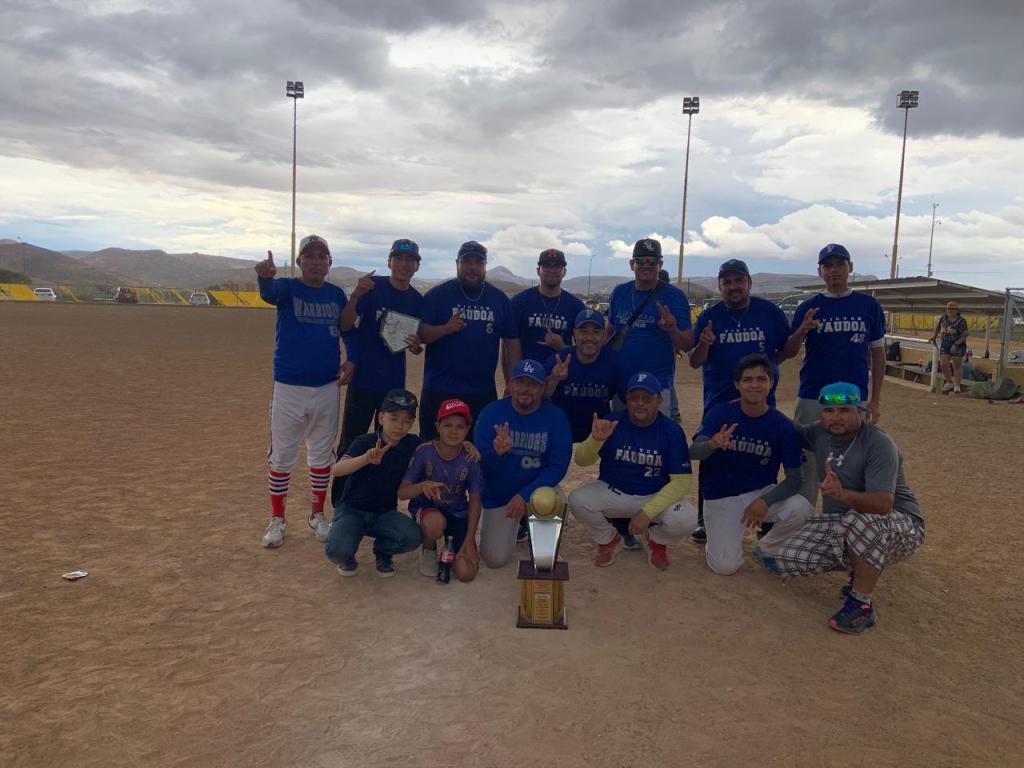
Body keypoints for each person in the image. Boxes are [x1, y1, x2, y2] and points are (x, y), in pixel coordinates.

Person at [752, 383, 925, 634]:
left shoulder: (879, 444)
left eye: (844, 410)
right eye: (828, 410)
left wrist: (842, 494)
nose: (835, 417)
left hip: (901, 524)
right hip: (846, 523)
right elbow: (788, 430)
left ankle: (861, 603)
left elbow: (883, 504)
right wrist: (758, 405)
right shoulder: (820, 433)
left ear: (860, 412)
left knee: (860, 522)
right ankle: (862, 566)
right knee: (790, 557)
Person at [687, 258, 792, 543]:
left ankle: (766, 515)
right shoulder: (710, 316)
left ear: (749, 283)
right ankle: (704, 518)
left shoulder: (769, 312)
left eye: (738, 280)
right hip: (719, 400)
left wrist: (763, 375)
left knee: (766, 453)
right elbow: (695, 362)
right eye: (727, 282)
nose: (733, 286)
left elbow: (786, 350)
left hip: (760, 400)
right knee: (713, 452)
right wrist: (705, 343)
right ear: (720, 286)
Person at [255, 235, 350, 548]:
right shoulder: (287, 288)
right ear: (299, 262)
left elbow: (349, 330)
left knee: (322, 453)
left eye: (322, 256)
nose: (315, 262)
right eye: (309, 256)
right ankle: (278, 519)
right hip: (289, 386)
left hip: (326, 386)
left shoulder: (336, 295)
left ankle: (316, 514)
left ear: (329, 263)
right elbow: (269, 293)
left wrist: (354, 359)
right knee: (282, 455)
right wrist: (264, 277)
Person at [684, 354, 813, 574]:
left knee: (802, 508)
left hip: (759, 492)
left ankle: (768, 548)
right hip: (721, 496)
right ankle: (718, 538)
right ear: (738, 384)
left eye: (761, 379)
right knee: (725, 567)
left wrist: (765, 500)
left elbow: (795, 479)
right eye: (748, 379)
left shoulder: (782, 426)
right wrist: (712, 444)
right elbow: (693, 452)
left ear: (771, 383)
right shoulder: (721, 413)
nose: (755, 385)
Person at [782, 243, 886, 505]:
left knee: (848, 461)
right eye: (827, 265)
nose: (834, 270)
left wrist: (874, 400)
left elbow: (878, 354)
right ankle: (802, 517)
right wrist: (802, 330)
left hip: (852, 396)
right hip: (813, 394)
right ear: (820, 272)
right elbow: (790, 351)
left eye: (839, 264)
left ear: (850, 267)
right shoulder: (809, 306)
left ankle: (840, 520)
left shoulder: (868, 305)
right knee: (807, 458)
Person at [568, 371, 697, 570]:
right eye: (634, 397)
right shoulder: (613, 422)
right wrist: (595, 440)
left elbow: (682, 482)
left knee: (687, 518)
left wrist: (647, 513)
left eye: (647, 398)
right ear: (626, 400)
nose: (640, 403)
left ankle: (656, 540)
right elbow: (582, 461)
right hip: (614, 492)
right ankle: (609, 539)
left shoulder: (671, 431)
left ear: (659, 399)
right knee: (577, 500)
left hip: (653, 496)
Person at [545, 308, 640, 550]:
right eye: (583, 331)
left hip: (596, 424)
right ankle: (535, 513)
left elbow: (631, 399)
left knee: (623, 446)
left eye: (596, 331)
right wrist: (554, 379)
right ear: (574, 334)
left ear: (604, 335)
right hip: (560, 425)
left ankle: (620, 520)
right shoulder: (560, 359)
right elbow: (539, 398)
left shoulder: (615, 361)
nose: (589, 337)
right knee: (538, 455)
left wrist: (614, 421)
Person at [473, 359, 572, 568]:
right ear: (510, 384)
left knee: (552, 499)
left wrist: (524, 496)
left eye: (533, 384)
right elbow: (481, 467)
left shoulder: (555, 416)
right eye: (520, 382)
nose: (526, 389)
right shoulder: (491, 412)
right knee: (495, 559)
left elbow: (558, 466)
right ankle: (518, 526)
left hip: (534, 490)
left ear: (542, 388)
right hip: (500, 496)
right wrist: (496, 454)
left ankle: (540, 541)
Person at [418, 240, 521, 441]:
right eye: (467, 262)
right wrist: (445, 328)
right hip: (439, 389)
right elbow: (421, 334)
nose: (472, 267)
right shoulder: (438, 295)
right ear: (457, 263)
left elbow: (512, 342)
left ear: (485, 266)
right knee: (433, 450)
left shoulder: (499, 299)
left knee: (478, 452)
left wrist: (514, 380)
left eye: (478, 262)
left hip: (482, 392)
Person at [336, 238, 424, 453]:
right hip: (363, 379)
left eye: (410, 260)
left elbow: (417, 342)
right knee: (351, 443)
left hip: (392, 384)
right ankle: (343, 487)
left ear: (417, 266)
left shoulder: (417, 301)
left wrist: (416, 347)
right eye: (398, 258)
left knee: (386, 445)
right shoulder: (373, 288)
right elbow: (345, 324)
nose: (404, 264)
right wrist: (356, 294)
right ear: (389, 262)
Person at [324, 389, 423, 577]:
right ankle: (348, 553)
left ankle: (383, 551)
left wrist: (465, 445)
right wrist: (366, 458)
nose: (399, 426)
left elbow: (436, 449)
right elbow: (337, 469)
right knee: (337, 552)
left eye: (407, 421)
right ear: (381, 418)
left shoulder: (412, 444)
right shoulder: (364, 441)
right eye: (394, 418)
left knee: (413, 537)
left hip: (384, 513)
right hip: (352, 510)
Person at [398, 398, 483, 583]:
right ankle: (429, 548)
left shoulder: (470, 458)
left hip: (458, 513)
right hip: (430, 510)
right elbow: (402, 492)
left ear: (468, 429)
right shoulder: (424, 452)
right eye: (447, 425)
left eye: (460, 427)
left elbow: (475, 500)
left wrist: (470, 539)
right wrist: (423, 486)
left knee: (466, 573)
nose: (453, 431)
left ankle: (452, 543)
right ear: (437, 426)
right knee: (435, 524)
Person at [608, 238, 694, 418]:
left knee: (657, 441)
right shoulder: (620, 292)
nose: (646, 265)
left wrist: (672, 330)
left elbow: (687, 344)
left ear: (660, 264)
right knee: (622, 440)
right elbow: (609, 332)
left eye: (652, 261)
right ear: (632, 264)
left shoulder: (674, 297)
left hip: (657, 387)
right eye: (641, 260)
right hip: (621, 384)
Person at [510, 248, 586, 365]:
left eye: (557, 266)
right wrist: (512, 380)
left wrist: (562, 347)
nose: (551, 270)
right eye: (546, 266)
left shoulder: (576, 306)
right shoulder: (519, 302)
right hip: (527, 379)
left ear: (564, 271)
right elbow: (508, 347)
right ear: (538, 271)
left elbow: (585, 350)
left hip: (562, 377)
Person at [928, 300, 969, 394]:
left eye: (952, 309)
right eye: (948, 309)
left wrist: (956, 344)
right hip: (945, 343)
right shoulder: (943, 318)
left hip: (958, 345)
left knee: (957, 366)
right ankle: (949, 381)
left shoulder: (961, 321)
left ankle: (957, 386)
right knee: (943, 364)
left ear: (957, 310)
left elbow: (964, 335)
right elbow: (938, 327)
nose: (950, 311)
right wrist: (934, 336)